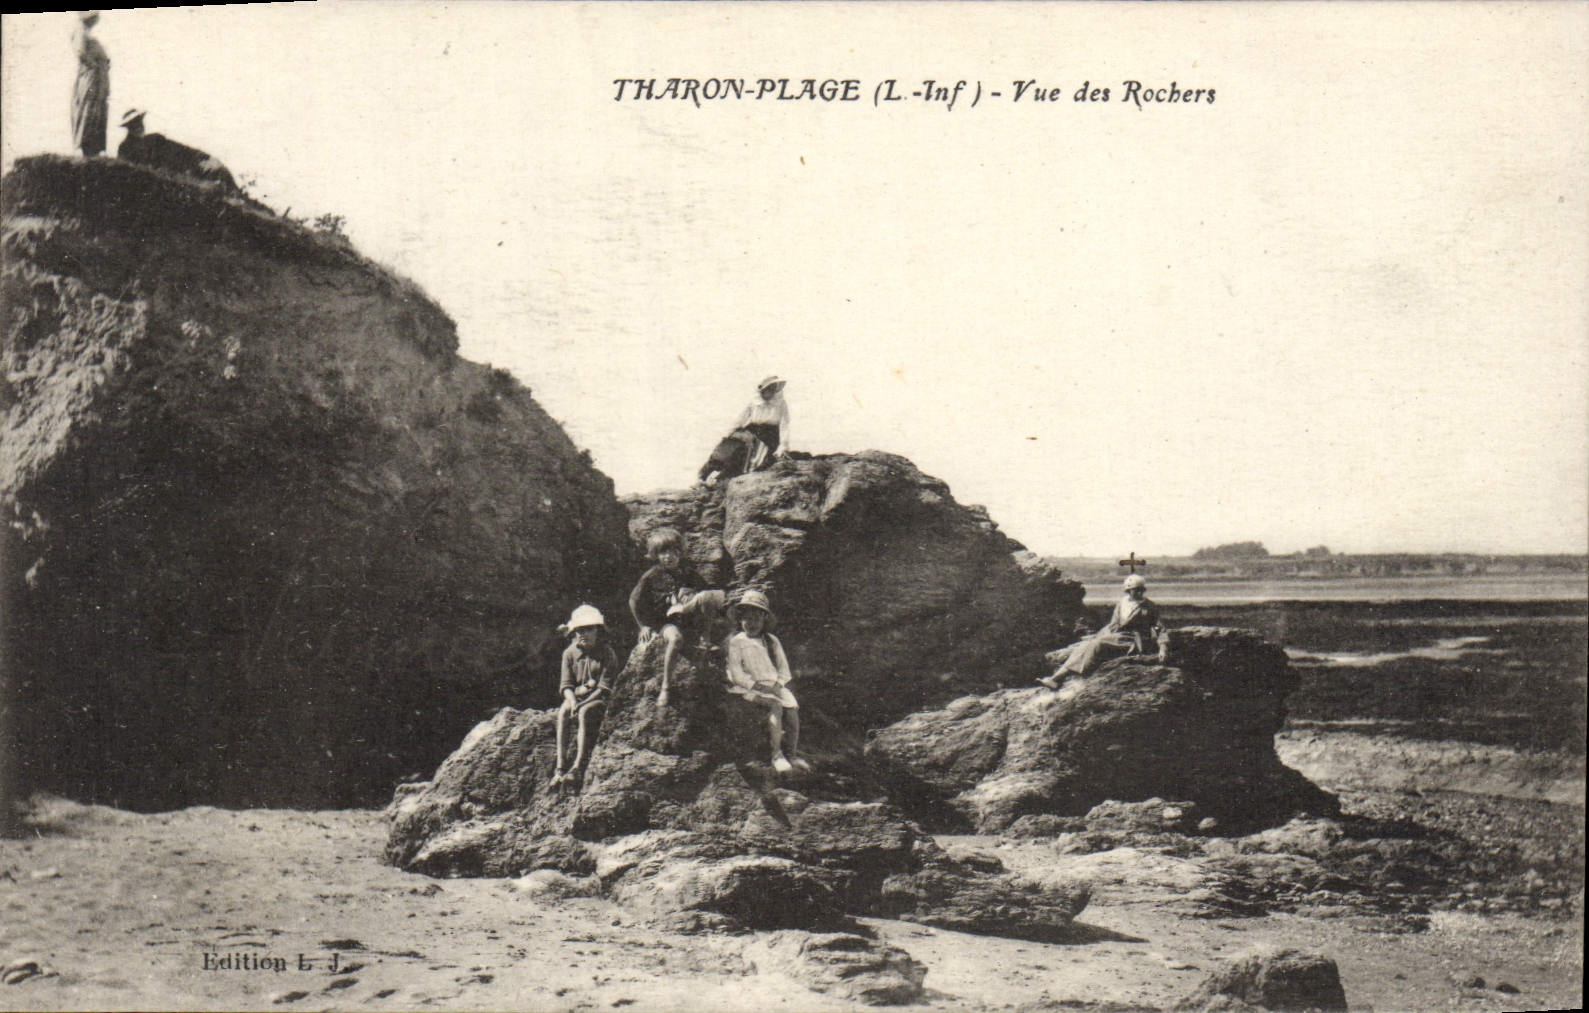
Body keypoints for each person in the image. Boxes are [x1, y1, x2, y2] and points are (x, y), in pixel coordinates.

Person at [628, 527, 724, 708]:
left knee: (709, 597)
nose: (669, 557)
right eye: (663, 553)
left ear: (680, 553)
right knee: (676, 639)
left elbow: (705, 594)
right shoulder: (651, 576)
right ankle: (666, 686)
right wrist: (643, 626)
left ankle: (705, 639)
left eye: (674, 552)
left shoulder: (687, 573)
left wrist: (691, 597)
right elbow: (633, 601)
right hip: (664, 622)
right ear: (656, 554)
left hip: (687, 618)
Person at [724, 589, 810, 774]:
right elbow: (736, 673)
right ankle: (776, 755)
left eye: (756, 619)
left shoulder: (771, 641)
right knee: (775, 706)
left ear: (764, 620)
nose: (752, 623)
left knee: (792, 711)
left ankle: (792, 754)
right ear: (740, 620)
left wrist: (777, 686)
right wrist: (757, 686)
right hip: (748, 687)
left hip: (773, 685)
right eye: (747, 619)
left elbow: (783, 668)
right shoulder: (737, 642)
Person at [1038, 574, 1170, 688]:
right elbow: (1113, 624)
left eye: (1141, 590)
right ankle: (1056, 679)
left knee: (1097, 644)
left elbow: (1160, 628)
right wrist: (1098, 635)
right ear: (1128, 590)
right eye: (1135, 590)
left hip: (1134, 641)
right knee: (1087, 644)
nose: (1139, 593)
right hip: (1118, 637)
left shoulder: (1149, 606)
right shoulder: (1122, 603)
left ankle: (1062, 677)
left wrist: (1163, 648)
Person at [551, 605, 618, 789]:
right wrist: (573, 701)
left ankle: (577, 767)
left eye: (589, 629)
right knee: (563, 712)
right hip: (577, 697)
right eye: (580, 630)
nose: (584, 634)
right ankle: (560, 767)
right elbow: (566, 685)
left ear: (598, 631)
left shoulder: (607, 653)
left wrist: (582, 704)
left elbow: (604, 687)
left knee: (584, 712)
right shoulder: (569, 653)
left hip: (598, 698)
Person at [117, 109, 240, 193]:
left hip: (180, 172)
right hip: (160, 184)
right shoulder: (125, 148)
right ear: (128, 127)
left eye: (139, 121)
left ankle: (240, 199)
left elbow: (181, 149)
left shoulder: (155, 139)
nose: (139, 126)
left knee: (221, 171)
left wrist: (205, 158)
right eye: (134, 124)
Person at [698, 376, 790, 485]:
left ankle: (721, 479)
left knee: (745, 454)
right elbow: (741, 418)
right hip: (753, 429)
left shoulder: (780, 403)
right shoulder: (754, 402)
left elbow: (784, 424)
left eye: (773, 390)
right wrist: (729, 433)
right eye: (768, 389)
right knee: (731, 444)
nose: (770, 393)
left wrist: (783, 445)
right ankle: (704, 475)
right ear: (762, 390)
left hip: (769, 435)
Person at [72, 11, 111, 158]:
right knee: (89, 109)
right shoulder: (80, 31)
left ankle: (95, 147)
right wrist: (93, 65)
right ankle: (87, 146)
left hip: (99, 79)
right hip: (91, 78)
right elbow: (80, 51)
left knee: (98, 110)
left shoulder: (87, 32)